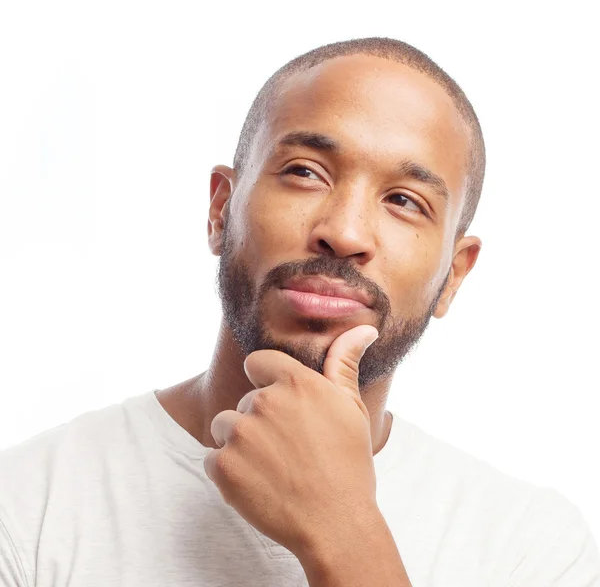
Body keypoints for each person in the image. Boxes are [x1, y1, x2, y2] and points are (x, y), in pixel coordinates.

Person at [1, 36, 598, 587]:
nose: (344, 232)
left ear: (454, 276)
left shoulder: (532, 549)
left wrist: (343, 531)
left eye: (404, 201)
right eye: (305, 172)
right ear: (220, 211)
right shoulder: (28, 507)